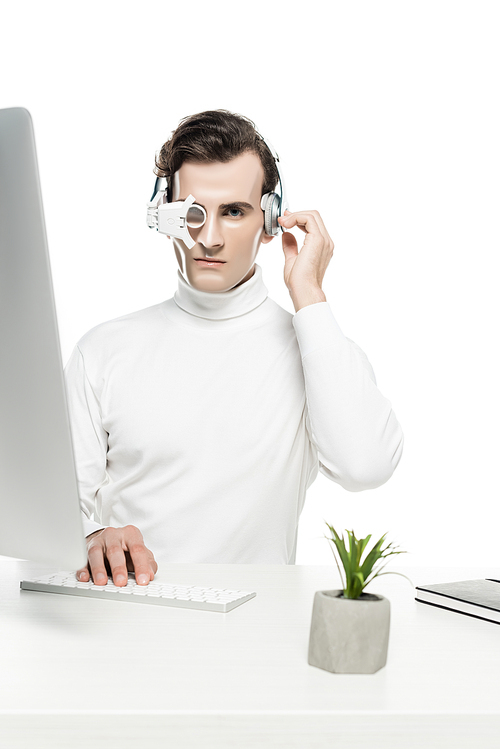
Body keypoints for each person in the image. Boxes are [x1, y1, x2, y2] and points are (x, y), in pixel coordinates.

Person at [66, 110, 404, 587]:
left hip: (258, 635)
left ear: (269, 221)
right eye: (193, 212)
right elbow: (58, 510)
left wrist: (308, 292)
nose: (209, 237)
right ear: (165, 216)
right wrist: (92, 536)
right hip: (128, 623)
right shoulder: (102, 351)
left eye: (233, 211)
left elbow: (365, 466)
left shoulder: (316, 350)